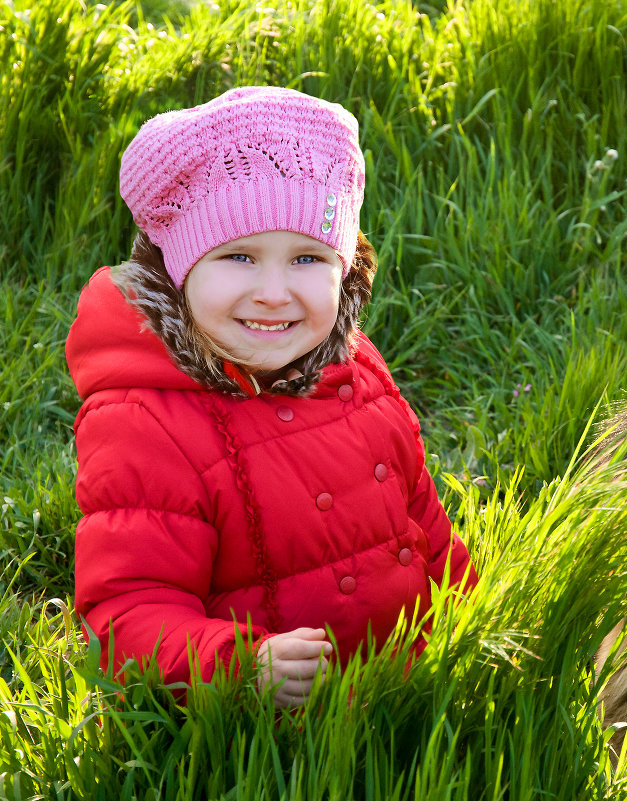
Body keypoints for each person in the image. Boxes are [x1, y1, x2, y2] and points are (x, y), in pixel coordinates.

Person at [65, 86, 476, 708]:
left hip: (408, 705)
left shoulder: (355, 368)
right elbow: (127, 612)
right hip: (270, 740)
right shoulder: (145, 421)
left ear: (344, 268)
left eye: (308, 258)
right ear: (181, 271)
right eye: (240, 257)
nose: (275, 293)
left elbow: (423, 526)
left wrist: (473, 622)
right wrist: (238, 669)